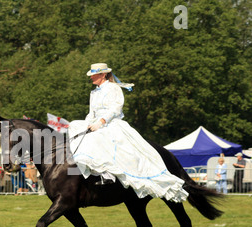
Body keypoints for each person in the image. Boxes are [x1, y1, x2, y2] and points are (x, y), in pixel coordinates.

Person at [68, 63, 188, 202]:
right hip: (95, 123)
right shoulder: (93, 92)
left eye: (93, 75)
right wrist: (88, 124)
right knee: (73, 125)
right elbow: (91, 113)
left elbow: (116, 109)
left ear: (102, 74)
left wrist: (101, 122)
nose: (91, 78)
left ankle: (107, 175)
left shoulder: (114, 88)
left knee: (101, 140)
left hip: (111, 123)